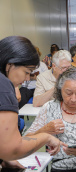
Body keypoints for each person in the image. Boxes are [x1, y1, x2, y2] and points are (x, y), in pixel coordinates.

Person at [0, 36, 62, 164]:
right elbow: (13, 149)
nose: (28, 78)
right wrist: (45, 137)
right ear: (9, 65)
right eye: (27, 72)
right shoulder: (4, 88)